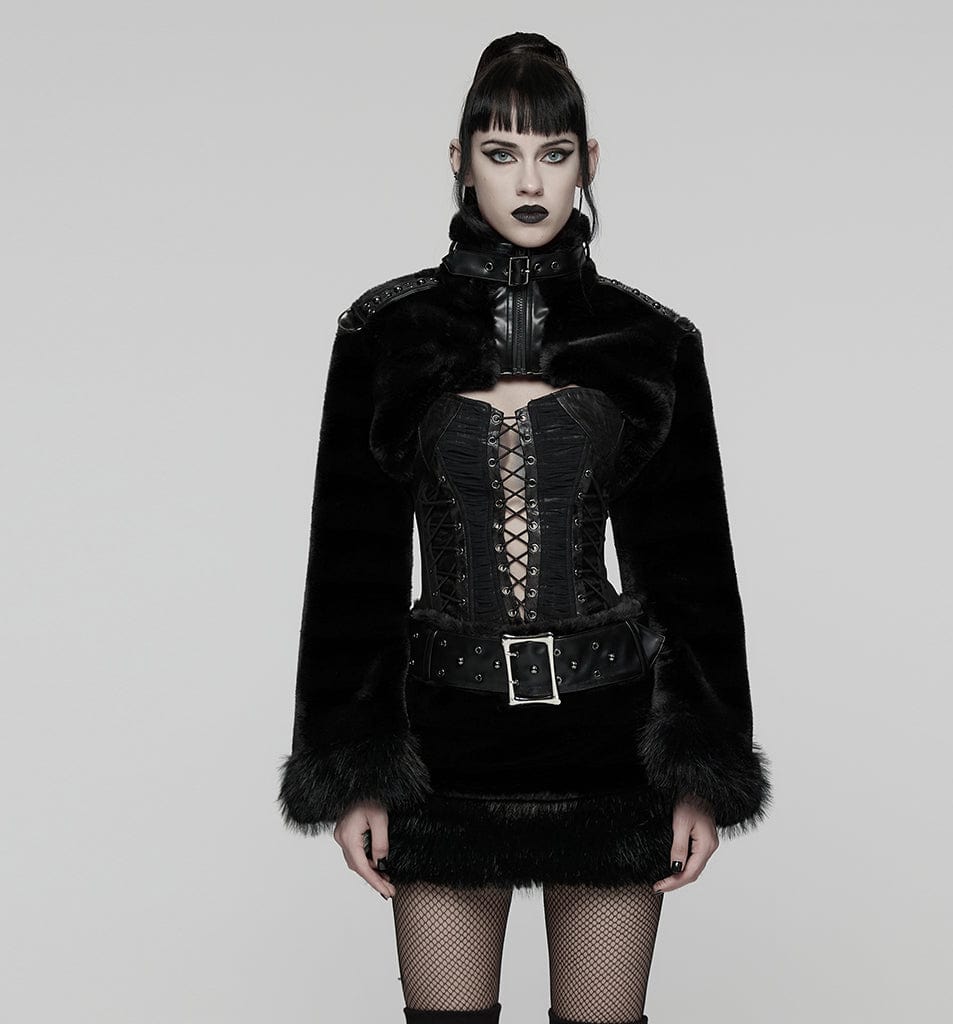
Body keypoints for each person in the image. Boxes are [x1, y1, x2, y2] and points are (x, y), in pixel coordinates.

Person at [277, 31, 772, 1024]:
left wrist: (700, 770)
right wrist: (355, 768)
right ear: (459, 161)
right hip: (442, 744)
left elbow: (689, 568)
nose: (531, 180)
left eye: (554, 151)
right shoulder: (385, 334)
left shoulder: (650, 340)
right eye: (502, 152)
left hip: (611, 743)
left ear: (590, 162)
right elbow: (351, 566)